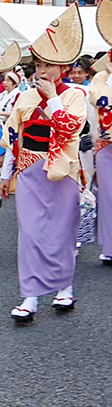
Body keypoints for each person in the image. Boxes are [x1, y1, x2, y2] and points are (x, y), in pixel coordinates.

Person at [0, 5, 87, 322]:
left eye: (48, 64)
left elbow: (68, 129)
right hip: (28, 170)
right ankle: (31, 296)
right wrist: (6, 175)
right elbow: (14, 135)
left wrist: (51, 98)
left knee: (61, 232)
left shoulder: (75, 95)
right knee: (31, 233)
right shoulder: (24, 97)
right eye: (38, 64)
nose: (42, 70)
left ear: (61, 67)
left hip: (62, 172)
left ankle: (64, 288)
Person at [90, 51, 112, 265]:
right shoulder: (100, 78)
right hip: (106, 143)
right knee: (107, 196)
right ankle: (110, 247)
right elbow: (97, 100)